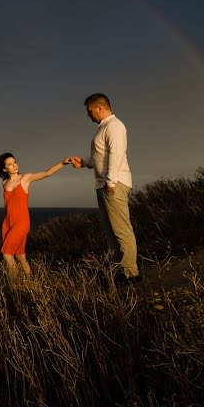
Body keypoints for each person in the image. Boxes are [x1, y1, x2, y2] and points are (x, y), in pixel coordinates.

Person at [68, 93, 139, 283]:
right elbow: (102, 158)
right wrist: (83, 162)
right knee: (110, 231)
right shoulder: (104, 128)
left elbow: (116, 154)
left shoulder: (115, 126)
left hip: (113, 184)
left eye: (89, 111)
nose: (88, 115)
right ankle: (120, 271)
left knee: (121, 229)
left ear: (100, 108)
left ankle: (131, 273)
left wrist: (111, 182)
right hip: (104, 184)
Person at [0, 152, 71, 277]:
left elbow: (47, 173)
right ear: (4, 168)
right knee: (20, 256)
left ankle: (15, 287)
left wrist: (63, 163)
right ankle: (30, 284)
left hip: (21, 222)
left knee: (7, 254)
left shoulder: (25, 178)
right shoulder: (4, 183)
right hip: (7, 223)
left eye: (14, 162)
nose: (14, 165)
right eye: (10, 164)